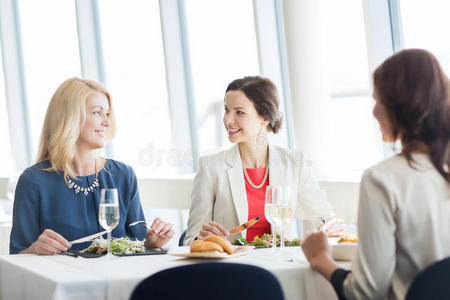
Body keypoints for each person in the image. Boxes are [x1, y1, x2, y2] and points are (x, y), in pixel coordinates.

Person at [302, 48, 450, 300]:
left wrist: (321, 259)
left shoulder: (382, 179)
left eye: (377, 100)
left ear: (399, 106)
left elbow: (364, 293)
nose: (373, 112)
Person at [10, 78, 174, 255]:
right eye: (97, 113)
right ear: (69, 118)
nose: (107, 122)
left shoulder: (123, 175)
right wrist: (34, 250)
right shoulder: (34, 181)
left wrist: (151, 243)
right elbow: (17, 256)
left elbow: (136, 243)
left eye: (107, 113)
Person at [184, 76, 343, 245]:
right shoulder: (211, 167)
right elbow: (190, 240)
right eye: (226, 110)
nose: (228, 120)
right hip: (232, 267)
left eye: (239, 112)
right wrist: (200, 239)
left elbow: (325, 220)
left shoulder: (294, 163)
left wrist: (333, 230)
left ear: (265, 117)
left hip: (279, 263)